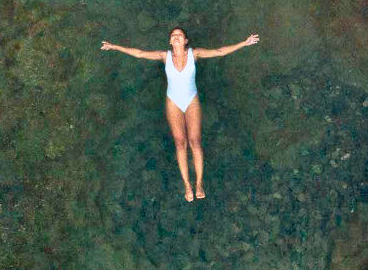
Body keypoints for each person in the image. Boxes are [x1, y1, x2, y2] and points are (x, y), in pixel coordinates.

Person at [100, 27, 260, 201]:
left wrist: (244, 43)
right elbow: (139, 53)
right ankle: (187, 185)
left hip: (191, 100)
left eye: (180, 35)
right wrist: (114, 47)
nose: (176, 37)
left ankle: (199, 183)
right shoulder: (165, 56)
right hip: (173, 102)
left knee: (195, 142)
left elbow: (219, 52)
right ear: (170, 42)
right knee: (180, 143)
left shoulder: (195, 54)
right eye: (173, 35)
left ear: (185, 41)